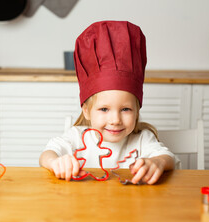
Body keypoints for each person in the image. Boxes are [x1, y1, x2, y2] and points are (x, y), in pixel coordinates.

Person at [39, 21, 178, 184]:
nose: (115, 120)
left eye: (125, 109)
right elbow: (46, 154)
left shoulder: (142, 140)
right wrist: (56, 162)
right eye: (104, 109)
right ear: (86, 110)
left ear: (137, 110)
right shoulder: (76, 137)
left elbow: (168, 158)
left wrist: (157, 162)